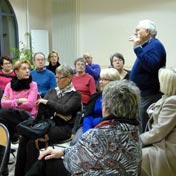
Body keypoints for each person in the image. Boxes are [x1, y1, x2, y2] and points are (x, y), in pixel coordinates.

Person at [26, 79, 142, 176]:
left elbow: (73, 165)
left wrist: (63, 154)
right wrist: (63, 151)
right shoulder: (135, 131)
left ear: (105, 108)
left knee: (45, 160)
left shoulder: (98, 134)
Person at [15, 64, 82, 176]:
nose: (57, 80)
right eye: (56, 77)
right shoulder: (52, 91)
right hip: (47, 124)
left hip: (63, 128)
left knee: (33, 142)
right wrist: (56, 112)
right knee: (24, 139)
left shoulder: (75, 95)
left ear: (69, 78)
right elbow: (42, 110)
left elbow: (65, 109)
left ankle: (31, 174)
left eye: (60, 78)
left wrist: (48, 103)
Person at [0, 59, 38, 176]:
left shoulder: (33, 85)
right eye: (24, 69)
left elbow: (30, 104)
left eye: (28, 69)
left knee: (2, 114)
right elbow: (2, 103)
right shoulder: (9, 85)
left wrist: (11, 102)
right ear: (16, 72)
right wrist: (18, 101)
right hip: (10, 118)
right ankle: (2, 168)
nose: (27, 71)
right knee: (1, 133)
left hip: (26, 118)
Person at [129, 19, 166, 133]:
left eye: (138, 30)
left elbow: (151, 66)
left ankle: (142, 149)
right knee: (139, 122)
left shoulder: (156, 45)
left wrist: (137, 48)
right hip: (142, 93)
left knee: (143, 125)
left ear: (148, 32)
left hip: (149, 94)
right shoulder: (148, 45)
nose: (135, 33)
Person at [140, 67, 176, 176]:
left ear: (166, 83)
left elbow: (159, 132)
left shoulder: (172, 102)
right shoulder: (165, 98)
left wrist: (138, 138)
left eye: (160, 80)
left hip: (167, 147)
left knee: (135, 157)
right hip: (159, 142)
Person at [82, 67, 120, 133]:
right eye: (100, 79)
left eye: (104, 79)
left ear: (114, 82)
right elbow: (88, 116)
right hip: (91, 128)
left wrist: (97, 122)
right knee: (76, 141)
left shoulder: (120, 98)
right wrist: (87, 131)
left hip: (110, 130)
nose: (100, 82)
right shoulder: (95, 96)